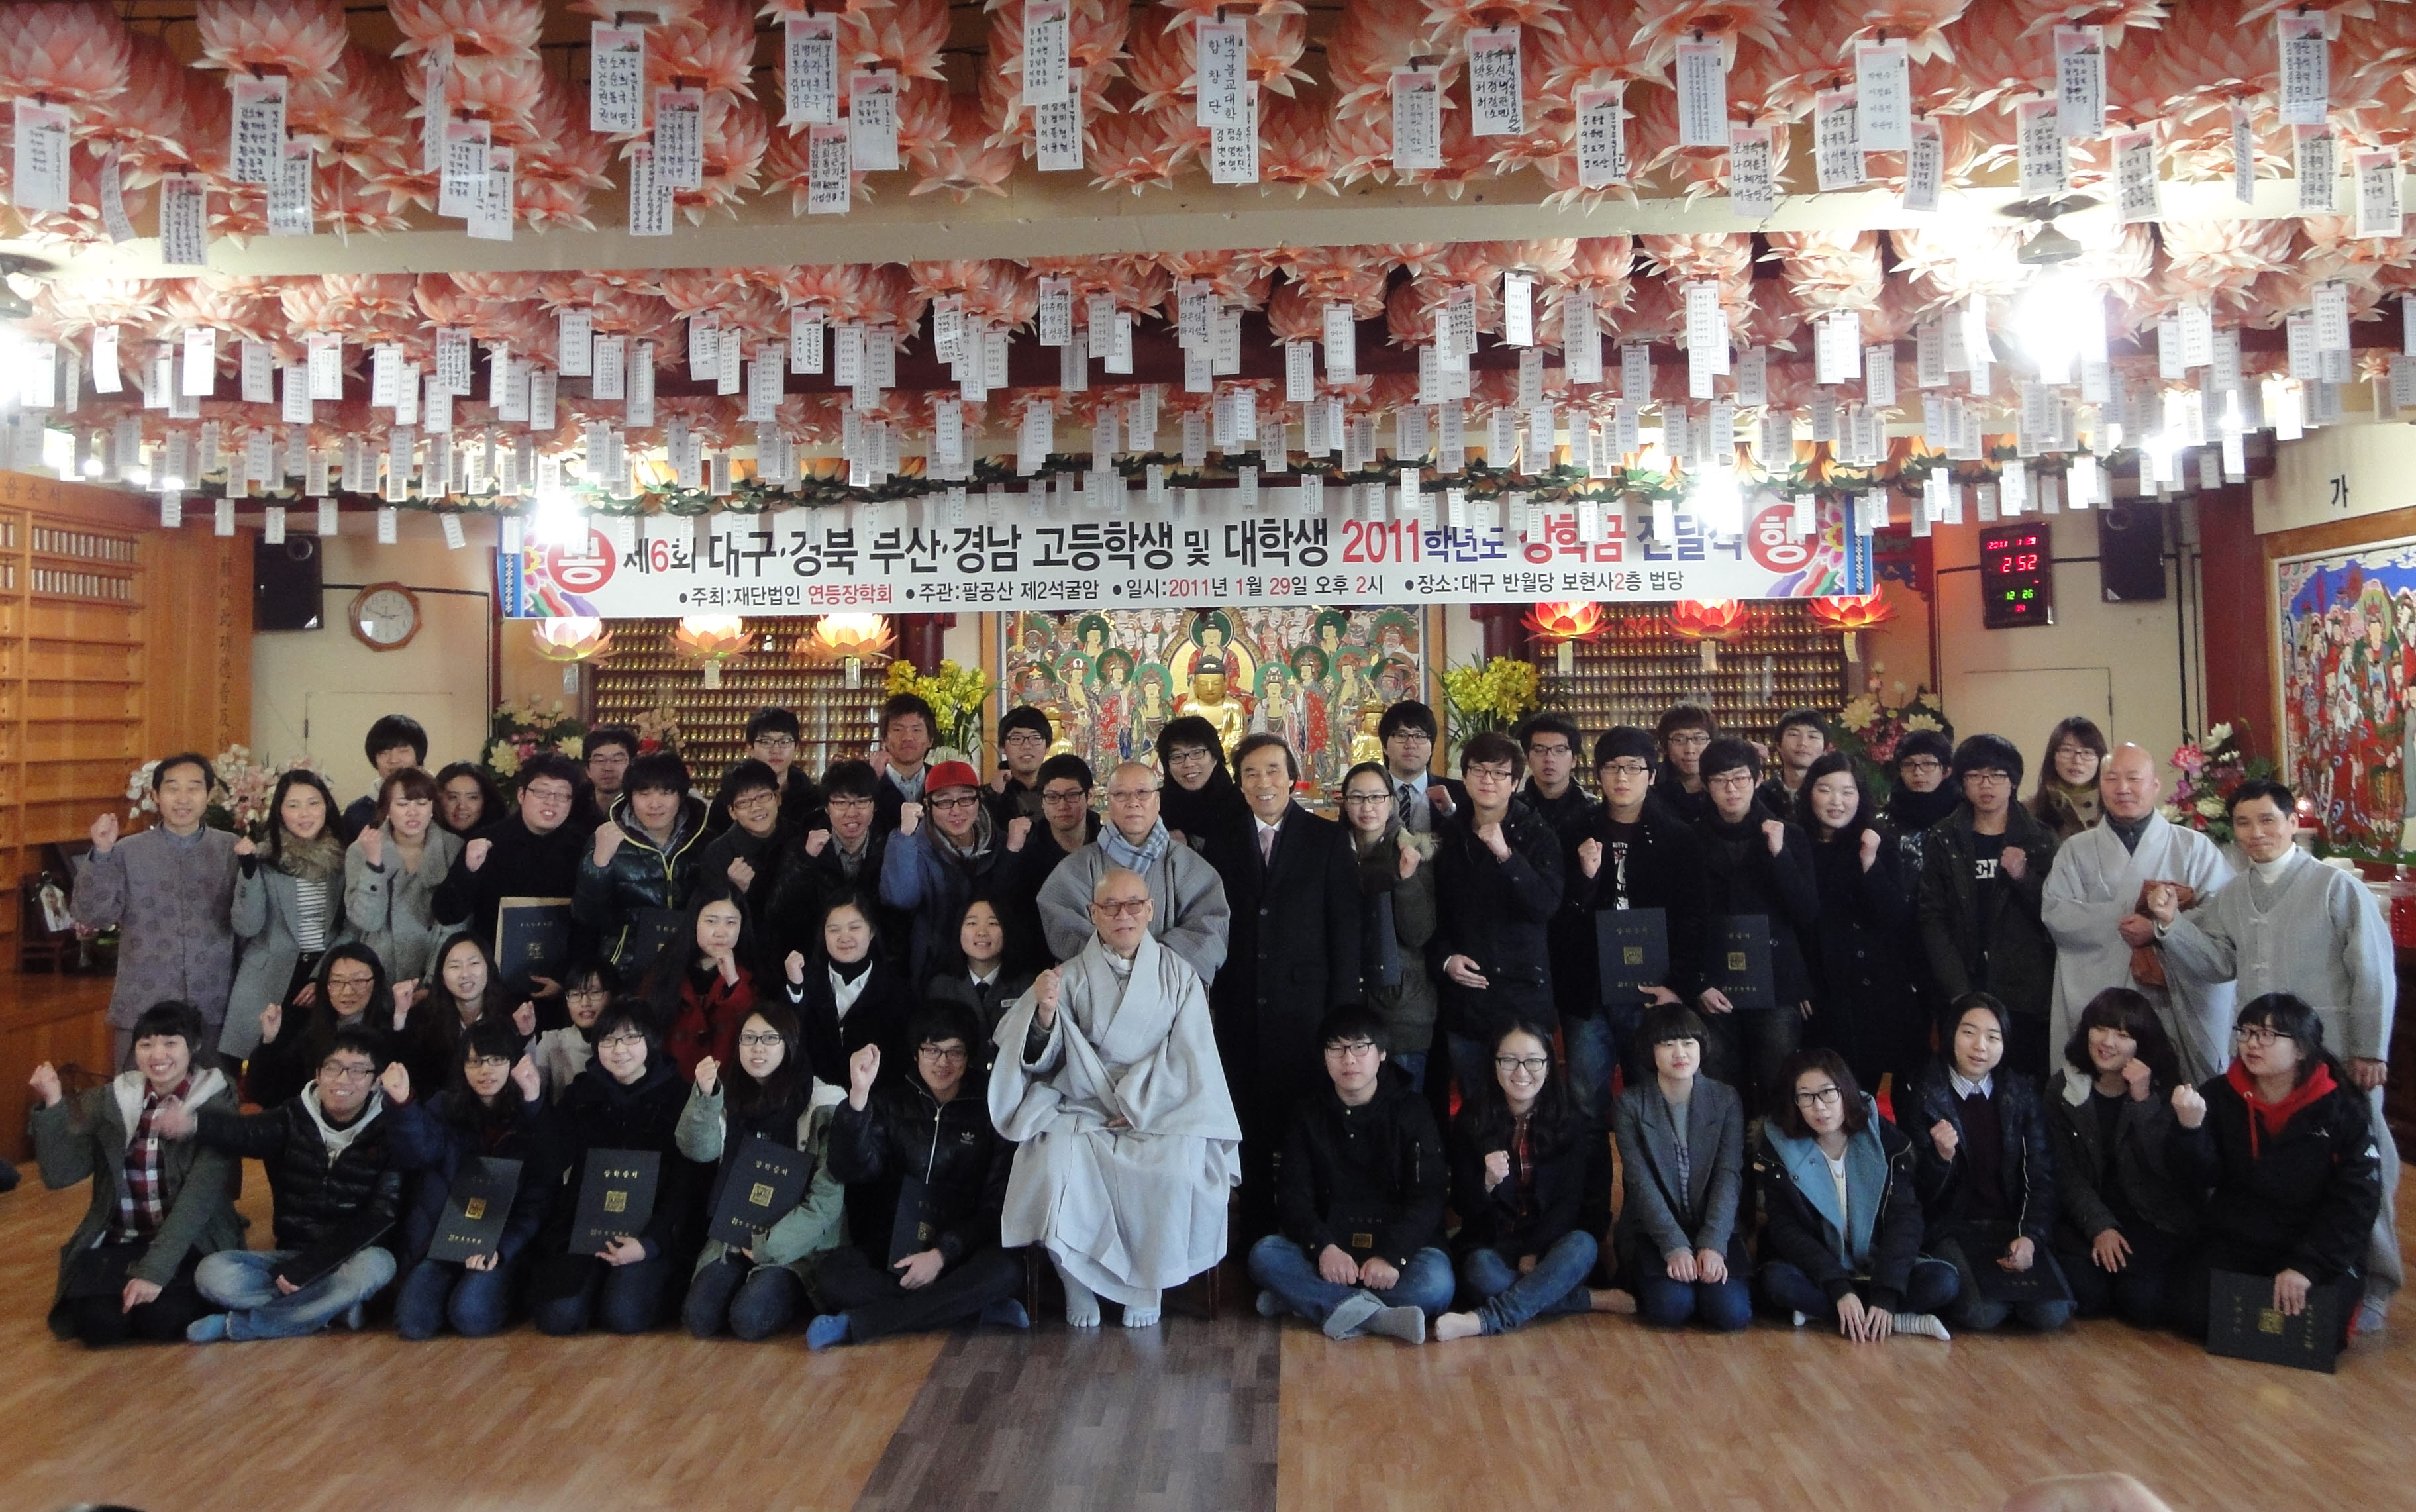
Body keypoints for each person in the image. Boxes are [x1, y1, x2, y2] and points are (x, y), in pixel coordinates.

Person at [2150, 778, 2401, 1330]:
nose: (2256, 833)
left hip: (2336, 1054)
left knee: (2365, 1166)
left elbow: (2374, 970)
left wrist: (2369, 1047)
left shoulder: (2335, 887)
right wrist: (2169, 924)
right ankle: (2290, 1265)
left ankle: (2376, 1282)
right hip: (2266, 1060)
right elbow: (2215, 963)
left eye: (2268, 820)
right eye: (2243, 823)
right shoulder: (2235, 894)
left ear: (2292, 822)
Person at [990, 867, 1243, 1329]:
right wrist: (1045, 1014)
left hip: (1159, 1108)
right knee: (1055, 1159)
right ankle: (1076, 1279)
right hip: (1082, 1104)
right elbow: (1041, 1060)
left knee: (1174, 1167)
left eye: (1133, 905)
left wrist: (1140, 1105)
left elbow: (1192, 1056)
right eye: (1110, 906)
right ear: (1093, 914)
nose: (1122, 914)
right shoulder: (1068, 975)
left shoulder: (1180, 975)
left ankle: (1149, 1284)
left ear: (1150, 910)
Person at [165, 1023, 425, 1342]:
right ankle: (330, 1307)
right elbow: (246, 1133)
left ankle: (239, 1326)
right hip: (290, 1256)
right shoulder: (293, 1116)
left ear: (375, 1083)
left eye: (358, 1071)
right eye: (333, 1068)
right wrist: (193, 1124)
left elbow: (381, 1215)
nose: (343, 1080)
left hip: (352, 1258)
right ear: (318, 1073)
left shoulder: (389, 1131)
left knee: (377, 1266)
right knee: (211, 1273)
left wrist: (313, 1267)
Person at [1205, 734, 1364, 1240]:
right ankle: (1253, 1239)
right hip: (1240, 1008)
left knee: (1307, 1125)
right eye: (1250, 773)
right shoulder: (1223, 839)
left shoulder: (1327, 837)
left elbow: (1345, 930)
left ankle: (1311, 1233)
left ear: (1292, 776)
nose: (1263, 782)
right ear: (1239, 784)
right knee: (1247, 1126)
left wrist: (1342, 1019)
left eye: (1273, 770)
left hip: (1307, 1010)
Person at [2169, 993, 2384, 1347]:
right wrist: (2189, 1130)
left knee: (2317, 1334)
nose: (2253, 1044)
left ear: (2301, 1049)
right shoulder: (2220, 1095)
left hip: (2311, 1239)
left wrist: (2307, 1266)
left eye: (2268, 1035)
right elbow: (2198, 1178)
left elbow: (2357, 1199)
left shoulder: (2341, 1107)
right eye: (2247, 1032)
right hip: (2241, 1237)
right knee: (2192, 1316)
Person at [808, 1007, 1030, 1348]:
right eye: (932, 1050)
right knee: (832, 1275)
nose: (943, 1062)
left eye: (955, 1051)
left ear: (969, 1056)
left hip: (961, 1251)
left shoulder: (991, 1109)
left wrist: (942, 1254)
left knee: (1008, 1269)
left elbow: (995, 1205)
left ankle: (862, 1323)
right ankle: (968, 1308)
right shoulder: (889, 1104)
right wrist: (858, 1098)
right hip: (895, 1247)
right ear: (916, 1054)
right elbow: (852, 1168)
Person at [29, 1000, 240, 1346]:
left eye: (171, 1042)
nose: (158, 1054)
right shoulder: (115, 1098)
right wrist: (53, 1104)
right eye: (146, 1044)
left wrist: (154, 1274)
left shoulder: (217, 1102)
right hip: (122, 1241)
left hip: (191, 1243)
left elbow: (196, 1204)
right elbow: (61, 1175)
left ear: (195, 1047)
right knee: (99, 1328)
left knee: (162, 1321)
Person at [1246, 1007, 1452, 1343]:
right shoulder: (1307, 1113)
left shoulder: (1413, 1110)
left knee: (1437, 1286)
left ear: (1382, 1053)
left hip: (1397, 1252)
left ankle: (1306, 1300)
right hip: (1332, 1250)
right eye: (1337, 1049)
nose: (1349, 1059)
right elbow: (1292, 1195)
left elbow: (1428, 1196)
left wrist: (1391, 1255)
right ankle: (1378, 1317)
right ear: (1324, 1057)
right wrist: (1324, 1248)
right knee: (1264, 1255)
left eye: (1360, 1047)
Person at [2042, 743, 2236, 1084]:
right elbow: (2057, 913)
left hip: (2171, 997)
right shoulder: (2076, 850)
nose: (2123, 788)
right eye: (2112, 779)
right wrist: (2123, 918)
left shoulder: (2194, 847)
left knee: (2176, 1087)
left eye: (2134, 778)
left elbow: (2221, 920)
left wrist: (2162, 928)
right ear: (2100, 786)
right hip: (2102, 998)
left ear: (2156, 785)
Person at [1433, 1022, 1627, 1341]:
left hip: (1553, 1244)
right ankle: (1588, 1300)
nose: (1521, 1071)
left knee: (1583, 1245)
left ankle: (1485, 1321)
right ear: (1494, 1064)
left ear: (1549, 1065)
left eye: (1533, 1061)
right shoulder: (1473, 1118)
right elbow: (1463, 1207)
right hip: (1495, 1242)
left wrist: (1535, 1252)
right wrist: (1487, 1183)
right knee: (1482, 1273)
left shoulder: (1570, 1119)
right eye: (1508, 1060)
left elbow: (1569, 1203)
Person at [1752, 1047, 1958, 1341]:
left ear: (1846, 1091)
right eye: (1806, 1097)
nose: (1819, 1107)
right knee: (1776, 1282)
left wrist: (1886, 1294)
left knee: (1945, 1282)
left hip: (1879, 1266)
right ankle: (1900, 1321)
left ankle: (1844, 1315)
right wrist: (1838, 1287)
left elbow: (1905, 1221)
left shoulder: (1885, 1140)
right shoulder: (1778, 1148)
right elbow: (1787, 1231)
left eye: (1827, 1093)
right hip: (1822, 1272)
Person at [1563, 727, 1711, 1120]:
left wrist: (1678, 985)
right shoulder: (1577, 830)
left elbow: (1695, 917)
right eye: (1612, 768)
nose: (1622, 778)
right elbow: (1562, 912)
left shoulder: (1678, 837)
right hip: (1591, 990)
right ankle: (1590, 1183)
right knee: (1584, 1099)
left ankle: (1646, 1183)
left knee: (1651, 1100)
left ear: (1653, 774)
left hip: (1653, 990)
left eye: (1633, 768)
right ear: (1598, 774)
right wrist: (1587, 877)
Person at [677, 1003, 845, 1340]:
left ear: (790, 1044)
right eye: (749, 1038)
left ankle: (791, 1292)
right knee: (699, 1319)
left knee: (749, 1320)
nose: (757, 1048)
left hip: (795, 1246)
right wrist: (705, 1098)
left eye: (770, 1038)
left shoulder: (824, 1103)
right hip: (734, 1233)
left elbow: (827, 1201)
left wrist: (771, 1246)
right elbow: (698, 1150)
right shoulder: (728, 1094)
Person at [1908, 995, 2074, 1333]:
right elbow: (1914, 1193)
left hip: (2009, 1227)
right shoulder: (1926, 1094)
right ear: (1951, 1034)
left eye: (1993, 1037)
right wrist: (1941, 1159)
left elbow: (2040, 1177)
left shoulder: (2021, 1094)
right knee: (1982, 1315)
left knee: (2053, 1314)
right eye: (1969, 1033)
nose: (1980, 1046)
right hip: (1953, 1227)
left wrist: (2030, 1237)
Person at [528, 1001, 695, 1335]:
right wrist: (534, 1104)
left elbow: (686, 1183)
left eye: (630, 1039)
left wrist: (651, 1242)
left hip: (649, 1232)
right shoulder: (583, 1091)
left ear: (650, 1041)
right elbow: (549, 1160)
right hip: (587, 1228)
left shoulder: (679, 1095)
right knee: (558, 1318)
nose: (619, 1050)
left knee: (623, 1315)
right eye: (607, 1040)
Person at [72, 752, 241, 1065]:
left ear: (209, 795)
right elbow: (93, 915)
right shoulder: (126, 851)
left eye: (194, 788)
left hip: (213, 1002)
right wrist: (102, 853)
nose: (183, 798)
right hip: (142, 1004)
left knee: (212, 1106)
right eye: (172, 788)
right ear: (155, 796)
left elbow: (249, 923)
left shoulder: (232, 850)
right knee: (136, 1103)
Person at [2046, 988, 2199, 1329]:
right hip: (2090, 1215)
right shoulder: (2064, 1088)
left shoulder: (2168, 1090)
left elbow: (2167, 1171)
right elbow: (2065, 1172)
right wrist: (2099, 1225)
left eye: (2124, 1034)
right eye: (2100, 1028)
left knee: (2143, 1305)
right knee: (2087, 1297)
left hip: (2149, 1218)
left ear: (2142, 1045)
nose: (2108, 1042)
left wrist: (2142, 1101)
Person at [390, 1022, 552, 1340]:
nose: (485, 1070)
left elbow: (538, 1198)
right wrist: (404, 1106)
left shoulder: (531, 1114)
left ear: (513, 1063)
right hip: (448, 1237)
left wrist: (502, 1250)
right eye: (474, 1061)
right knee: (413, 1324)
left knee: (470, 1316)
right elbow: (418, 1153)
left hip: (504, 1243)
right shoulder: (444, 1107)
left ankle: (508, 1291)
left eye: (496, 1060)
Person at [1429, 732, 1564, 1101]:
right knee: (1475, 1104)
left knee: (1528, 1103)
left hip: (1522, 996)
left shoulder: (1537, 834)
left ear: (1516, 783)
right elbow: (1433, 911)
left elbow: (1546, 905)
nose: (1488, 781)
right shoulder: (1449, 835)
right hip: (1467, 1000)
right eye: (1479, 771)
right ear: (1465, 776)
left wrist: (1506, 855)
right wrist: (1445, 959)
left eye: (1499, 774)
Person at [1918, 734, 2062, 1079]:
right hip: (1963, 984)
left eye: (1997, 776)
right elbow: (1931, 917)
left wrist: (2024, 877)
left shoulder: (2039, 838)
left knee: (2026, 1084)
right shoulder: (1944, 837)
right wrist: (1956, 989)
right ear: (1962, 783)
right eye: (1975, 776)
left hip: (2025, 990)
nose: (1986, 785)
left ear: (2013, 782)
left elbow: (2057, 914)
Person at [1691, 738, 1819, 1104]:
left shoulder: (1788, 834)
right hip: (1714, 984)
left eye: (1740, 778)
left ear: (1758, 779)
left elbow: (1806, 912)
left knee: (1778, 1087)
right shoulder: (1689, 839)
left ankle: (1772, 1163)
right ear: (1705, 784)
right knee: (1720, 1089)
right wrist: (1697, 981)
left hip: (1776, 984)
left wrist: (1779, 855)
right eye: (1719, 780)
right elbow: (1681, 918)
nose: (1731, 789)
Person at [1614, 1004, 1751, 1332]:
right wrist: (1674, 1245)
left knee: (1731, 1315)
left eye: (1689, 1043)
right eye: (1667, 1044)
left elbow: (1728, 1176)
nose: (1680, 1053)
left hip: (1713, 1225)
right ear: (1651, 1051)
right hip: (1655, 1229)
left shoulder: (1726, 1098)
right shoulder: (1630, 1104)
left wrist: (1714, 1243)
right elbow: (1640, 1182)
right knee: (1671, 1309)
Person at [1797, 752, 1921, 1100]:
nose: (1837, 801)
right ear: (1810, 794)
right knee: (1827, 1090)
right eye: (1826, 790)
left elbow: (1894, 916)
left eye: (1848, 792)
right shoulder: (1796, 844)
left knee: (1868, 1092)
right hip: (1822, 987)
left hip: (1875, 986)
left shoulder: (1878, 841)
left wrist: (1870, 863)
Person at [1036, 760, 1231, 982]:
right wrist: (1116, 963)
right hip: (1099, 994)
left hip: (1171, 990)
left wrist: (1152, 964)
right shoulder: (1076, 868)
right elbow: (1063, 925)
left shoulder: (1189, 865)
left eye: (1142, 793)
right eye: (1121, 795)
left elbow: (1209, 928)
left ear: (1157, 801)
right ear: (1108, 802)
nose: (1133, 803)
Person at [219, 769, 349, 1063]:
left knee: (321, 1064)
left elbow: (350, 928)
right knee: (263, 1071)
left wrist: (324, 977)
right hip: (269, 977)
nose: (304, 814)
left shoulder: (345, 859)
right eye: (293, 805)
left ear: (327, 807)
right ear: (279, 813)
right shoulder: (265, 857)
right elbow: (247, 926)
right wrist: (249, 871)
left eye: (313, 803)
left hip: (326, 975)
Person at [430, 752, 594, 976]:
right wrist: (468, 871)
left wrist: (564, 976)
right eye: (542, 792)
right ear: (521, 794)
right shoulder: (487, 841)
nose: (551, 801)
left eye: (562, 795)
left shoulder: (582, 845)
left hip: (559, 976)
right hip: (494, 976)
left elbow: (588, 922)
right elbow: (447, 913)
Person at [881, 758, 1038, 980]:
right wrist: (904, 836)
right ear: (928, 805)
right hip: (936, 968)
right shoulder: (914, 845)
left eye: (966, 799)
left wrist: (1012, 852)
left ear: (979, 800)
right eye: (944, 802)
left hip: (995, 965)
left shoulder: (1000, 841)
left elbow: (1008, 903)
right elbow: (901, 899)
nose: (956, 811)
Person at [1338, 761, 1438, 1085]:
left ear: (1391, 802)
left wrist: (1406, 881)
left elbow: (1419, 933)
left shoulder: (1411, 849)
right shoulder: (1331, 851)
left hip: (1401, 1008)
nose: (1367, 807)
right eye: (1357, 797)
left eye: (1377, 797)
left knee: (1401, 1115)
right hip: (1346, 1005)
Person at [576, 750, 709, 976]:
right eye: (644, 793)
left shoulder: (704, 839)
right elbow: (588, 916)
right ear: (630, 796)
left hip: (689, 963)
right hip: (625, 966)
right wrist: (598, 866)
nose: (655, 804)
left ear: (681, 795)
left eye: (666, 793)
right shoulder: (609, 837)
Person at [763, 758, 905, 968]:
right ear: (827, 808)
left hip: (877, 963)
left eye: (862, 801)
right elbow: (778, 914)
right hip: (817, 962)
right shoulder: (803, 844)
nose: (851, 812)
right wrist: (805, 861)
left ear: (874, 805)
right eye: (840, 803)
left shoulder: (891, 846)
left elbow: (899, 918)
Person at [242, 942, 399, 1110]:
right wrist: (269, 1041)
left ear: (376, 983)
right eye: (337, 982)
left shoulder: (391, 1031)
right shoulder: (303, 1027)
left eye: (359, 981)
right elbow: (263, 1094)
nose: (347, 992)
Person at [346, 766, 464, 988]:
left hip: (437, 970)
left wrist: (431, 982)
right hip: (380, 971)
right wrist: (374, 863)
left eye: (421, 803)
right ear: (388, 808)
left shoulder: (453, 848)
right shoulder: (361, 849)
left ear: (432, 807)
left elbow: (456, 926)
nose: (413, 812)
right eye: (402, 804)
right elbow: (366, 921)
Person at [789, 889, 917, 1091]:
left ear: (872, 931)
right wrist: (795, 989)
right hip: (812, 1103)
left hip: (877, 1109)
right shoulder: (805, 984)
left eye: (855, 927)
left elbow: (901, 1064)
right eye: (834, 929)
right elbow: (791, 1044)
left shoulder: (897, 992)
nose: (844, 937)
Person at [645, 887, 766, 1083]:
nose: (721, 932)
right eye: (711, 921)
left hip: (729, 1084)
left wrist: (733, 981)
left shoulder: (754, 976)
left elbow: (757, 1030)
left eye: (731, 922)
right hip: (671, 1083)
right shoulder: (666, 971)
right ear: (694, 922)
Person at [397, 932, 528, 1094]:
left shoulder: (512, 1013)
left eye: (473, 963)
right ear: (442, 977)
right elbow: (411, 1074)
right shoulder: (425, 1016)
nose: (465, 974)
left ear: (489, 968)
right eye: (454, 966)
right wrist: (400, 1016)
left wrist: (525, 1033)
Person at [924, 893, 1034, 1040]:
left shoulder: (1027, 985)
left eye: (993, 923)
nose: (982, 932)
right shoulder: (941, 987)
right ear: (959, 930)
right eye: (972, 923)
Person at [697, 759, 794, 923]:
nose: (756, 808)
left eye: (763, 796)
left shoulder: (800, 838)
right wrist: (733, 890)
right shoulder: (718, 854)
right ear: (732, 812)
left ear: (777, 798)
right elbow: (710, 918)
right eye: (743, 803)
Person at [1156, 713, 1248, 850]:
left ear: (1215, 756)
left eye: (1197, 753)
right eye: (1177, 756)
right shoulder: (1154, 808)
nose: (1188, 763)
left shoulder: (1243, 805)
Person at [532, 956, 619, 1100]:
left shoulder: (626, 1045)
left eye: (595, 992)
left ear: (614, 996)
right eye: (575, 994)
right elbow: (532, 1094)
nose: (585, 1002)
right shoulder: (552, 1042)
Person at [725, 706, 821, 833]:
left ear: (796, 747)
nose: (776, 750)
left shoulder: (815, 800)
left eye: (785, 741)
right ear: (750, 748)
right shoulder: (731, 797)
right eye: (766, 742)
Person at [1376, 700, 1464, 835]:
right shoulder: (1368, 794)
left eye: (1420, 736)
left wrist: (1450, 811)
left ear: (1431, 747)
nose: (1411, 744)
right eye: (1401, 735)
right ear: (1384, 747)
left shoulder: (1458, 793)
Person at [338, 713, 429, 840]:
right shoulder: (358, 813)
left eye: (403, 751)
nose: (393, 760)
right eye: (383, 753)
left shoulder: (440, 801)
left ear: (419, 754)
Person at [1882, 728, 1960, 876]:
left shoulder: (1963, 815)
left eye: (1928, 764)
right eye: (1908, 764)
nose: (1917, 772)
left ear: (1946, 771)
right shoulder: (1885, 820)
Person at [2030, 715, 2109, 841]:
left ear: (2101, 759)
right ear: (2053, 756)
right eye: (2067, 750)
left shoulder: (2115, 808)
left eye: (2087, 752)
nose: (2077, 760)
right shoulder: (2028, 810)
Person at [1514, 712, 1596, 834]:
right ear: (1527, 759)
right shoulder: (1513, 809)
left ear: (1574, 760)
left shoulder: (1593, 810)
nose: (1549, 758)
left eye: (1560, 750)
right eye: (1539, 750)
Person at [870, 693, 937, 834]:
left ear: (930, 740)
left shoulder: (942, 782)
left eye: (916, 730)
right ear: (885, 739)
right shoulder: (870, 785)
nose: (907, 737)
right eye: (898, 729)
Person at [1651, 704, 1719, 828]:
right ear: (1664, 745)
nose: (1690, 749)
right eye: (1679, 740)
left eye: (1699, 739)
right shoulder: (1651, 785)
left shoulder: (1725, 784)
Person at [989, 703, 1055, 827]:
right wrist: (993, 796)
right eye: (1016, 738)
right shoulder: (988, 795)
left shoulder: (1059, 793)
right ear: (1003, 747)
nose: (1026, 746)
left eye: (1035, 738)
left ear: (1047, 747)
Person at [1756, 709, 1829, 820]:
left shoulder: (1831, 795)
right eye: (1794, 735)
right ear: (1778, 745)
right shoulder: (1760, 794)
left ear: (1825, 749)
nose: (1802, 743)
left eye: (1813, 737)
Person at [1031, 753, 1101, 858]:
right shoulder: (1028, 850)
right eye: (1052, 797)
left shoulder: (1110, 845)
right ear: (1042, 801)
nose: (1062, 806)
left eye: (1072, 795)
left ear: (1090, 796)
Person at [434, 760, 506, 838]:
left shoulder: (502, 839)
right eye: (453, 797)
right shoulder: (425, 839)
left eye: (473, 797)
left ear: (486, 801)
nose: (462, 806)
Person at [583, 725, 639, 823]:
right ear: (588, 770)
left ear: (632, 765)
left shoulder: (644, 809)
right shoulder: (572, 808)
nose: (608, 768)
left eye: (617, 759)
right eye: (599, 760)